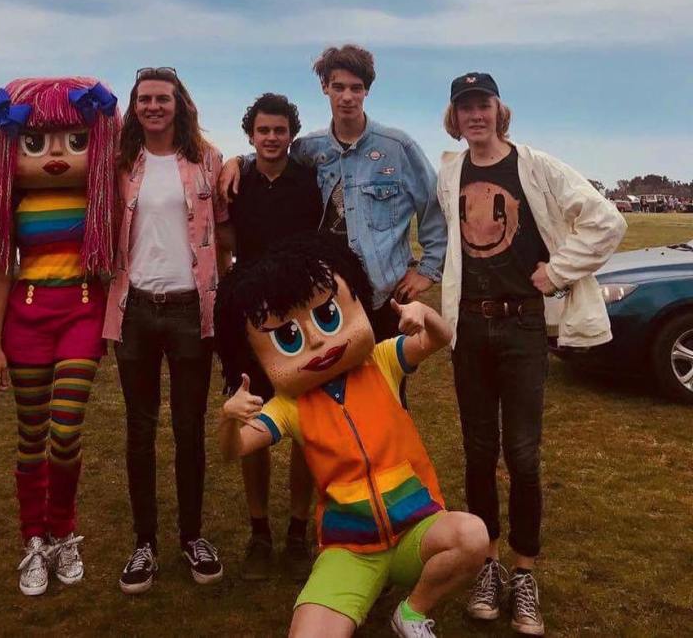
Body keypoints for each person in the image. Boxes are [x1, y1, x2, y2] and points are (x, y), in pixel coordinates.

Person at [216, 233, 488, 638]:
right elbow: (234, 449)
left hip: (416, 531)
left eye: (327, 315)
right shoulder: (290, 405)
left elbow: (440, 338)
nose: (316, 341)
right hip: (350, 551)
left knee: (471, 536)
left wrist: (425, 315)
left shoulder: (381, 361)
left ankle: (412, 612)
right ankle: (364, 589)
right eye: (288, 337)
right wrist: (227, 419)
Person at [438, 72, 626, 636]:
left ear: (500, 111)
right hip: (469, 327)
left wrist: (559, 271)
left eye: (484, 105)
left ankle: (524, 573)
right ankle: (486, 565)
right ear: (455, 117)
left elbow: (607, 220)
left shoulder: (536, 166)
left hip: (521, 327)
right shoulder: (450, 172)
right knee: (477, 453)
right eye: (465, 107)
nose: (476, 115)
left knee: (522, 456)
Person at [0, 77, 122, 595]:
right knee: (31, 435)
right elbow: (1, 270)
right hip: (27, 318)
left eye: (76, 140)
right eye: (36, 143)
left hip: (82, 314)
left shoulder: (103, 197)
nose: (57, 154)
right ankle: (33, 539)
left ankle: (63, 531)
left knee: (65, 431)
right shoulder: (12, 202)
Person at [103, 66, 230, 594]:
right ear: (133, 108)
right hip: (134, 309)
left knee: (189, 428)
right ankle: (144, 543)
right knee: (139, 429)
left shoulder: (208, 160)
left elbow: (225, 226)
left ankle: (192, 536)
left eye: (162, 98)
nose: (153, 107)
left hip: (189, 310)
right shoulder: (118, 162)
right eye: (144, 99)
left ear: (180, 104)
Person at [220, 44, 447, 340]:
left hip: (385, 297)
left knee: (388, 370)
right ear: (325, 87)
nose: (347, 97)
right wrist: (238, 161)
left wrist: (427, 270)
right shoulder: (311, 148)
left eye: (356, 88)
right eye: (338, 87)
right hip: (329, 298)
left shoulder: (397, 147)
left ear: (367, 90)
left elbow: (434, 207)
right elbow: (274, 157)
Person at [217, 92, 322, 580]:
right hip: (251, 318)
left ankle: (298, 532)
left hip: (302, 318)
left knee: (307, 427)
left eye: (280, 130)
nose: (272, 138)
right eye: (263, 131)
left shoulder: (310, 180)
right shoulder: (237, 182)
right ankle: (259, 533)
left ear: (291, 134)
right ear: (251, 134)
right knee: (252, 420)